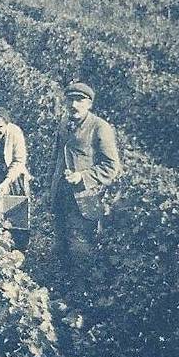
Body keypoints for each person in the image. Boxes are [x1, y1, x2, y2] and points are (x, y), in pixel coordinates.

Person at [47, 82, 122, 280]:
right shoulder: (64, 122)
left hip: (85, 197)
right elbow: (56, 156)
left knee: (80, 247)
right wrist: (50, 185)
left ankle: (80, 294)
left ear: (89, 104)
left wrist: (83, 176)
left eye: (80, 100)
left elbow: (112, 167)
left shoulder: (100, 127)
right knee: (61, 241)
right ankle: (62, 289)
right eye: (70, 99)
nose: (74, 104)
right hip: (61, 192)